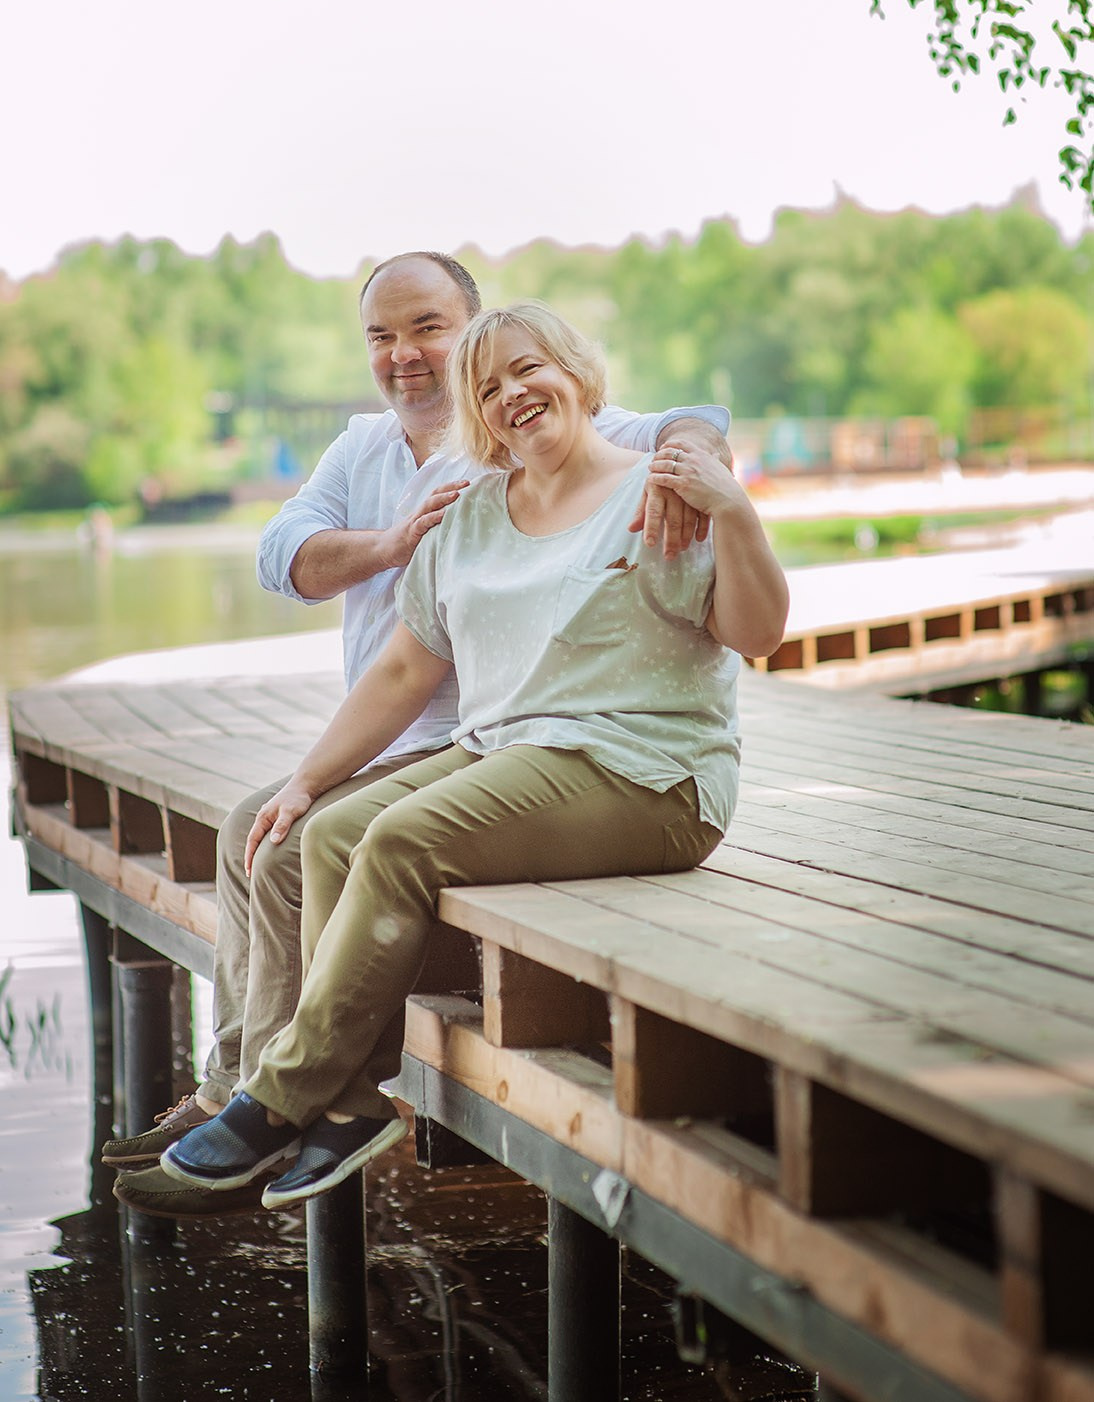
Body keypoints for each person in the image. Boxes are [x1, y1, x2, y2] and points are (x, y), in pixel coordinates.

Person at [107, 255, 731, 1216]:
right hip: (435, 736)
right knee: (263, 829)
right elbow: (286, 556)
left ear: (475, 328)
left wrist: (701, 473)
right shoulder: (365, 451)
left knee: (333, 839)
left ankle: (284, 1102)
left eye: (429, 329)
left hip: (493, 736)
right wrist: (394, 547)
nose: (405, 355)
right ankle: (254, 1090)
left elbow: (689, 427)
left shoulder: (548, 424)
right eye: (382, 335)